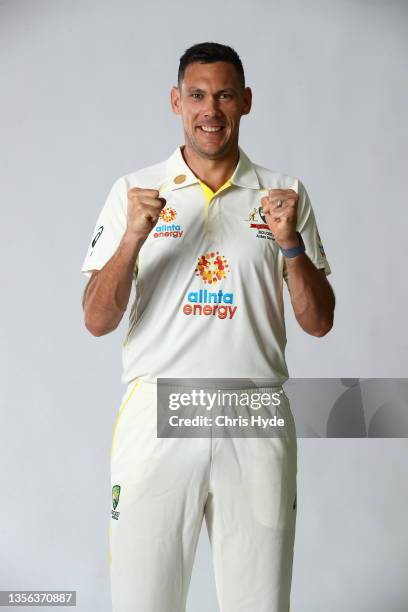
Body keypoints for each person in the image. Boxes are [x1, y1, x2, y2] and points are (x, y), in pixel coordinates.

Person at [80, 42, 335, 612]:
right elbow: (97, 319)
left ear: (245, 102)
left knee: (260, 601)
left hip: (254, 409)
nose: (210, 109)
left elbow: (318, 322)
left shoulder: (283, 195)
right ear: (176, 101)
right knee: (144, 600)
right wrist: (130, 240)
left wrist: (290, 242)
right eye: (197, 95)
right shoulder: (135, 191)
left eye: (224, 95)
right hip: (159, 410)